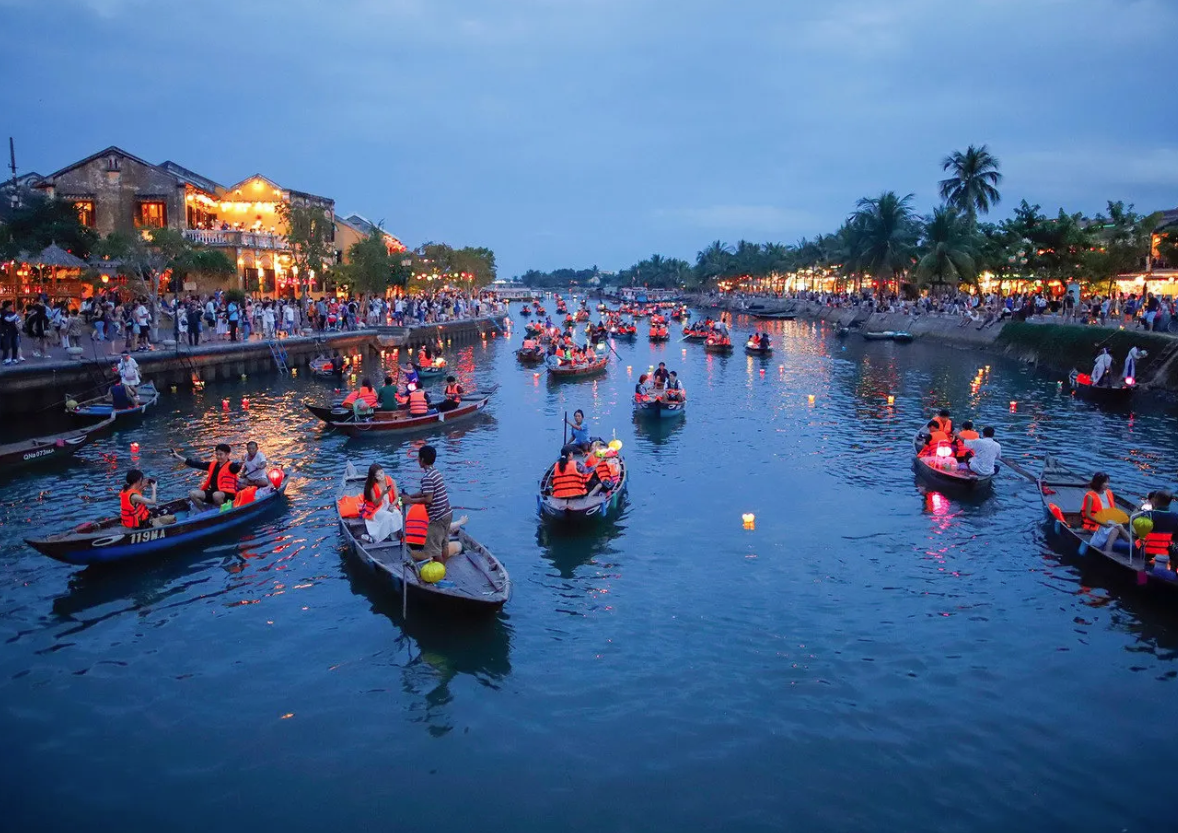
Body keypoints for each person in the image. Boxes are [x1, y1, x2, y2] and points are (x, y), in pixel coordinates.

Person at [402, 445, 461, 561]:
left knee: (434, 549)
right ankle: (443, 569)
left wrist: (410, 501)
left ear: (422, 460)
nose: (418, 460)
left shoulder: (427, 477)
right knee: (444, 543)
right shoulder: (435, 472)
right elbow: (424, 491)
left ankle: (439, 574)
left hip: (437, 517)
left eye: (419, 458)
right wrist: (410, 496)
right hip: (447, 513)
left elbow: (428, 499)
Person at [173, 444, 240, 508]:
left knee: (216, 495)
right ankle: (204, 512)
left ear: (227, 454)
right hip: (213, 492)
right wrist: (178, 456)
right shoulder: (212, 465)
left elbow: (236, 468)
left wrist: (240, 464)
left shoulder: (232, 466)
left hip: (228, 494)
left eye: (221, 454)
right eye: (217, 454)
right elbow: (195, 464)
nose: (218, 456)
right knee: (192, 494)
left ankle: (224, 511)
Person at [359, 462, 402, 544]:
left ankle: (394, 536)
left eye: (382, 473)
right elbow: (375, 503)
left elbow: (397, 498)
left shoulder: (392, 481)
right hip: (377, 508)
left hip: (389, 505)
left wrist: (392, 505)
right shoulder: (372, 486)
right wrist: (383, 493)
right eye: (378, 475)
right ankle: (376, 538)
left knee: (397, 514)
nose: (381, 476)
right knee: (388, 516)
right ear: (374, 477)